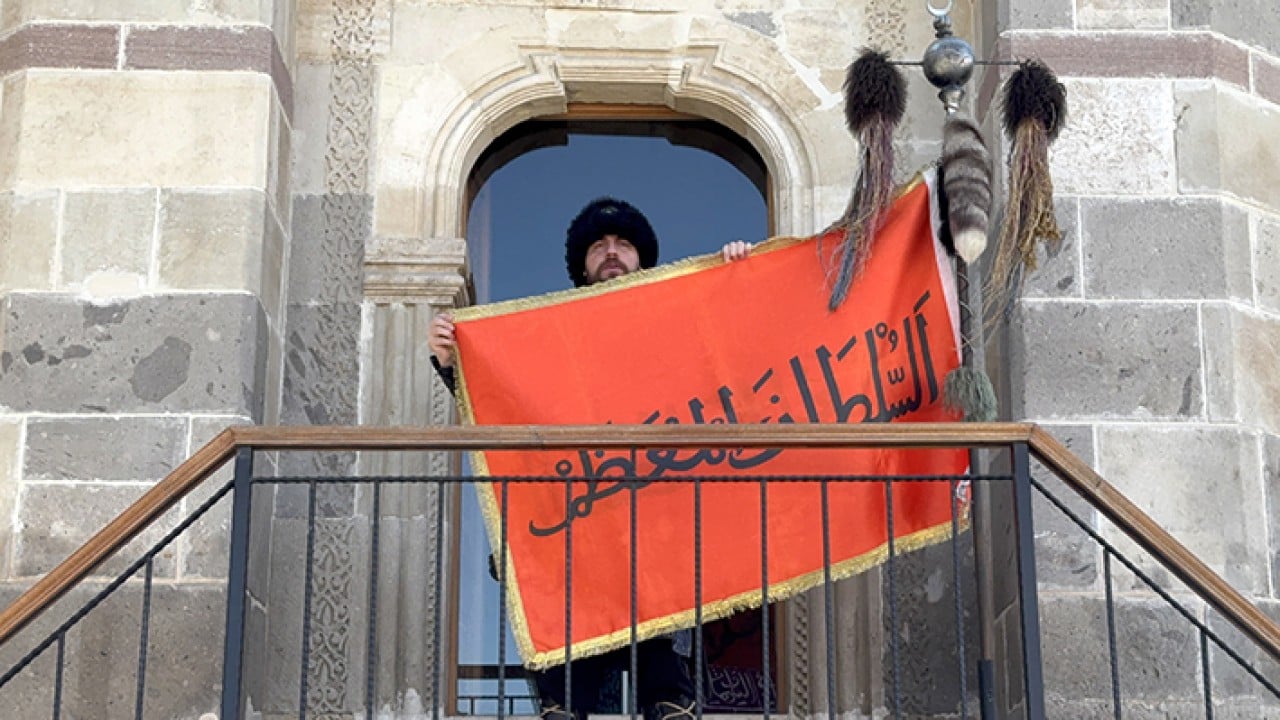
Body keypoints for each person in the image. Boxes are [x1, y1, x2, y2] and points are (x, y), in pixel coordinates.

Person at [429, 197, 751, 720]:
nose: (611, 252)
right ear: (582, 265)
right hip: (576, 522)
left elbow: (729, 362)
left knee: (663, 664)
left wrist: (741, 277)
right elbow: (504, 400)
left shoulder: (673, 322)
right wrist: (451, 361)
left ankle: (667, 698)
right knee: (570, 674)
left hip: (654, 519)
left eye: (623, 244)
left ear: (642, 260)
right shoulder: (549, 334)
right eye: (599, 246)